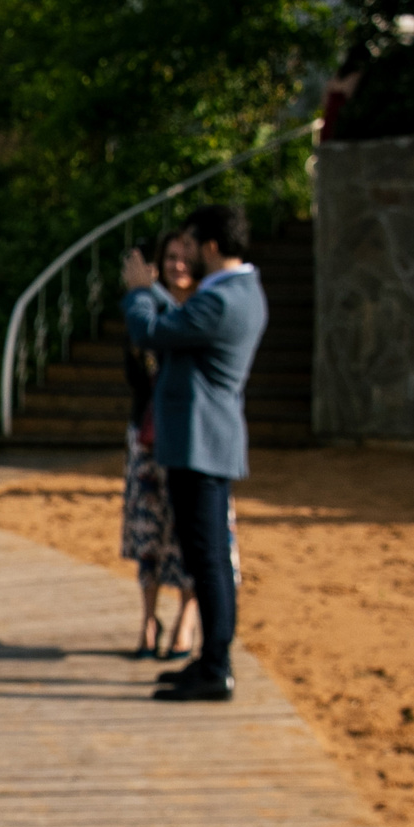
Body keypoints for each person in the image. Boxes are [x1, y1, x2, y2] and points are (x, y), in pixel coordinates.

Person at [122, 200, 266, 703]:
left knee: (208, 562)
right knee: (208, 559)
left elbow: (153, 332)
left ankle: (215, 665)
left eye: (192, 244)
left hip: (201, 446)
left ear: (210, 245)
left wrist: (140, 293)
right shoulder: (235, 292)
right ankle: (210, 661)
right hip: (203, 442)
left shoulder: (224, 299)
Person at [119, 229, 200, 658]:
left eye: (185, 257)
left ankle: (187, 620)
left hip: (190, 441)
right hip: (149, 435)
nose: (178, 265)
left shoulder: (206, 309)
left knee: (191, 533)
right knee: (147, 530)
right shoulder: (145, 313)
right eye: (170, 257)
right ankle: (149, 620)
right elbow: (134, 379)